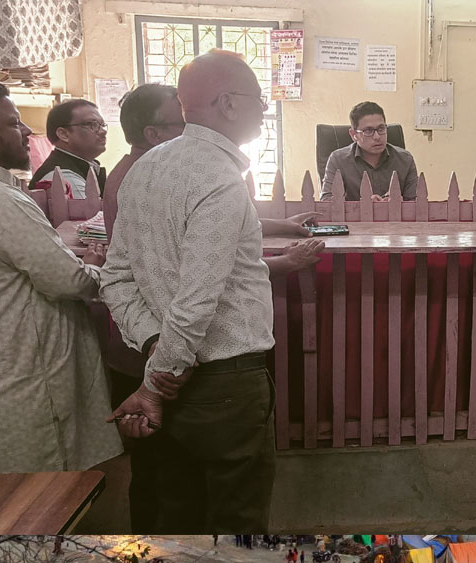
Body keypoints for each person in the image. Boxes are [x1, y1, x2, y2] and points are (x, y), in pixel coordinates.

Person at [100, 49, 324, 533]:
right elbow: (197, 298)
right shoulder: (219, 177)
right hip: (222, 385)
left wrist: (155, 347)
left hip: (171, 370)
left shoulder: (146, 168)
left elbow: (115, 278)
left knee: (179, 515)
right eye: (259, 99)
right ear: (228, 103)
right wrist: (157, 382)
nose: (264, 109)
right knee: (237, 522)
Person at [0, 79, 122, 474]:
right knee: (36, 491)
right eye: (14, 123)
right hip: (19, 372)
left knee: (1, 490)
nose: (28, 132)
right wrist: (102, 272)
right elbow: (67, 280)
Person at [320, 101, 418, 201]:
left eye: (381, 128)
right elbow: (327, 202)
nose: (377, 136)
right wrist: (363, 205)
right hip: (356, 212)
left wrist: (401, 204)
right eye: (368, 131)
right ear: (354, 135)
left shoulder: (405, 160)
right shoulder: (338, 160)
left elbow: (416, 203)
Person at [29, 99, 108, 199]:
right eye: (92, 125)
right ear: (64, 134)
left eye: (103, 125)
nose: (103, 131)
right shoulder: (63, 177)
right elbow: (92, 209)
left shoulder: (85, 167)